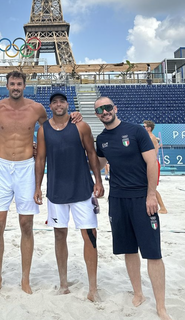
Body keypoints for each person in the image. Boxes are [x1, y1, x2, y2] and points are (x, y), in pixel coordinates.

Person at [0, 71, 81, 294]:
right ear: (6, 85)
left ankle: (25, 279)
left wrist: (74, 116)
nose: (16, 87)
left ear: (25, 86)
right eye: (12, 83)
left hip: (26, 169)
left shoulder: (36, 108)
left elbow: (54, 127)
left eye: (19, 83)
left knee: (26, 225)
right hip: (2, 168)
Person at [94, 96, 171, 320]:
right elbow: (97, 164)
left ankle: (161, 307)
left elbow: (151, 163)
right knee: (129, 249)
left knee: (153, 253)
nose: (105, 112)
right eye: (100, 110)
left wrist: (151, 195)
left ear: (115, 109)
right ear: (97, 114)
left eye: (108, 107)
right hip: (117, 199)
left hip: (141, 197)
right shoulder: (101, 139)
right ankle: (138, 293)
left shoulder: (136, 132)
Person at [34, 92, 104, 301]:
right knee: (59, 235)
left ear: (67, 104)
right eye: (54, 102)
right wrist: (37, 186)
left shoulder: (80, 126)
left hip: (82, 189)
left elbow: (92, 154)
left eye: (61, 101)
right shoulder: (44, 130)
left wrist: (98, 181)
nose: (58, 105)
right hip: (56, 192)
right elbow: (40, 159)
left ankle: (93, 288)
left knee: (90, 236)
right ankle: (63, 283)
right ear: (50, 106)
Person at [143, 120, 167, 214]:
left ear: (149, 128)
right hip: (152, 162)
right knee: (147, 186)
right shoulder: (152, 137)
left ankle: (163, 207)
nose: (143, 128)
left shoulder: (150, 137)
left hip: (153, 163)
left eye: (145, 126)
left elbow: (154, 152)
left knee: (151, 187)